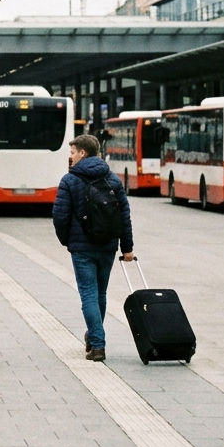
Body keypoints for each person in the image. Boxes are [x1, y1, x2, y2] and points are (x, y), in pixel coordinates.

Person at [52, 133, 134, 363]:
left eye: (72, 152)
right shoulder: (113, 179)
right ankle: (93, 335)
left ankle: (97, 345)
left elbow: (59, 216)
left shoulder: (69, 180)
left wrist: (68, 241)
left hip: (82, 248)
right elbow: (124, 215)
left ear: (83, 153)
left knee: (88, 293)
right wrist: (127, 248)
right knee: (100, 293)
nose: (70, 157)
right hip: (108, 246)